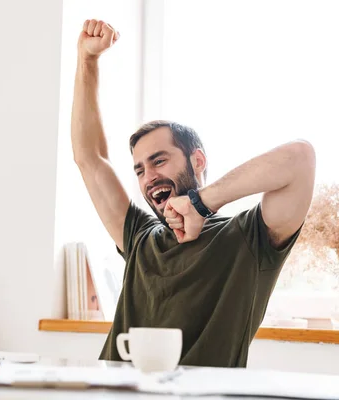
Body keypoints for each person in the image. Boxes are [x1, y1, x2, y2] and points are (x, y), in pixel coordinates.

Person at [71, 19, 316, 368]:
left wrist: (201, 203)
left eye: (159, 161)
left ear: (197, 160)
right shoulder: (140, 237)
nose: (148, 177)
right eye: (139, 170)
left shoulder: (248, 239)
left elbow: (300, 158)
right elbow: (89, 159)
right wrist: (87, 60)